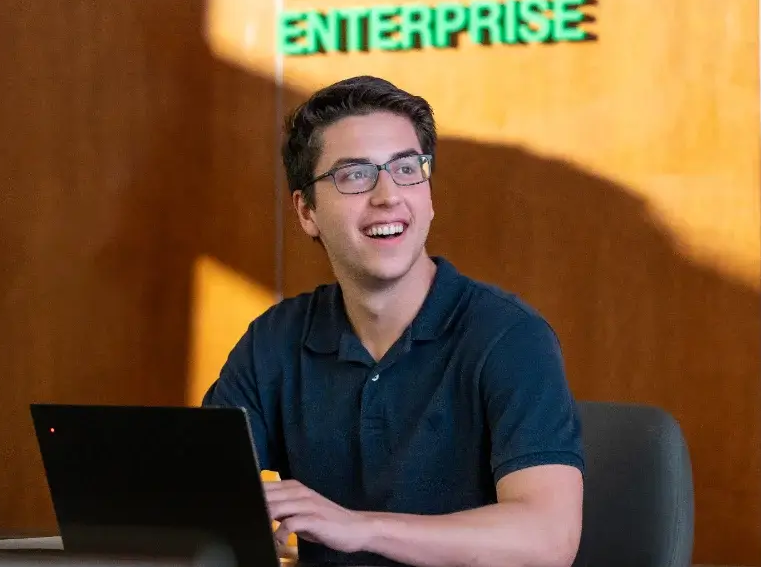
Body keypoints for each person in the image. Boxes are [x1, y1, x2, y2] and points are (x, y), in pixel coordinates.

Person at [202, 75, 585, 567]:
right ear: (306, 212)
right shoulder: (274, 340)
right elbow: (199, 495)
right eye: (355, 175)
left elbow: (547, 539)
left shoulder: (509, 337)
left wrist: (358, 527)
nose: (387, 194)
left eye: (407, 169)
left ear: (428, 196)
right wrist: (231, 523)